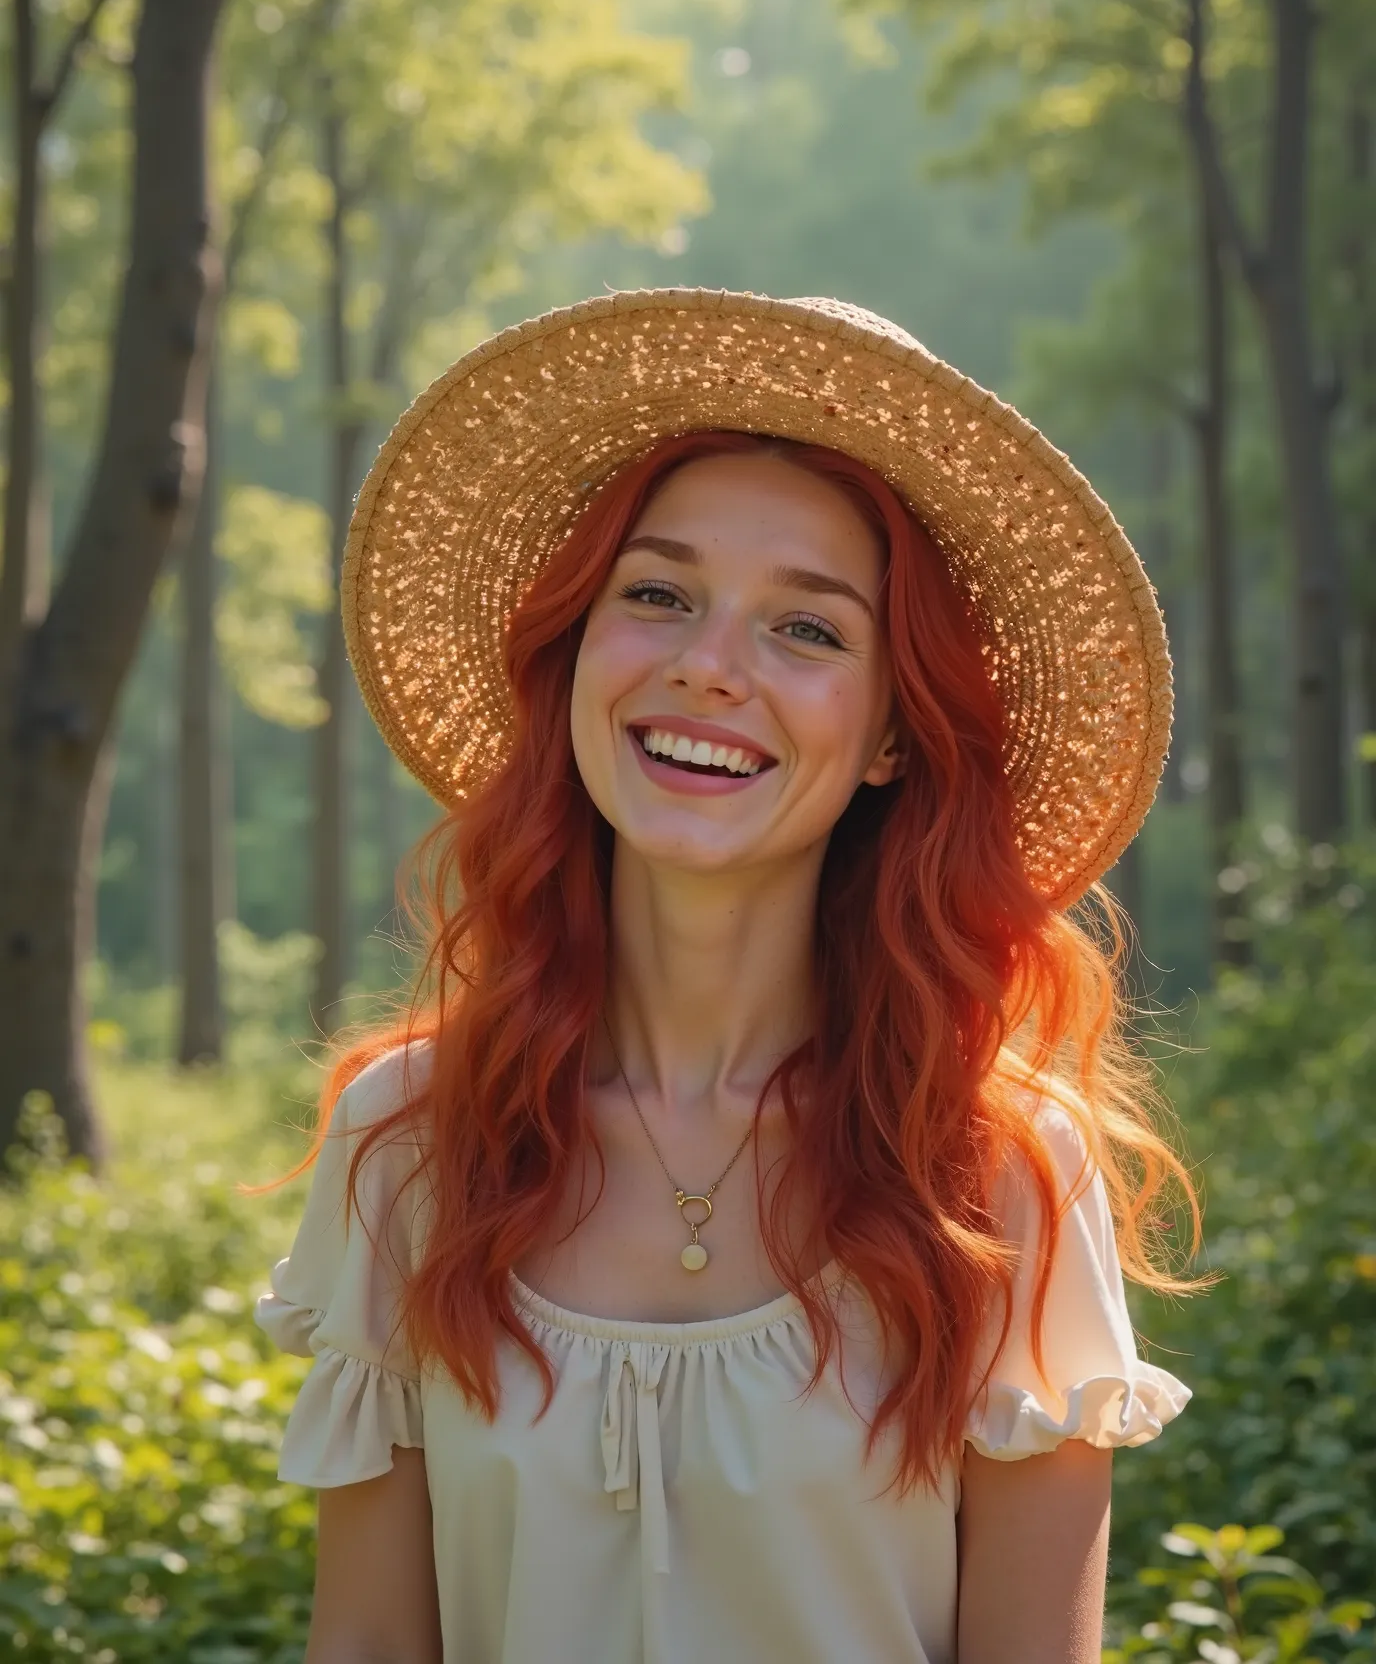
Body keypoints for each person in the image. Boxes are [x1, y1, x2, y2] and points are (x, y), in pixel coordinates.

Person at [256, 288, 1199, 1664]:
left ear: (890, 735)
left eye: (807, 629)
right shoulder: (406, 1143)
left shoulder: (1000, 1175)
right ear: (576, 654)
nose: (708, 669)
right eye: (657, 595)